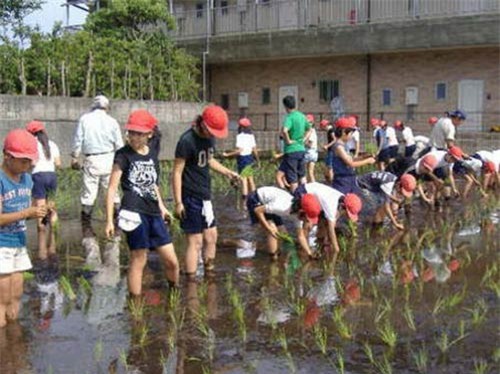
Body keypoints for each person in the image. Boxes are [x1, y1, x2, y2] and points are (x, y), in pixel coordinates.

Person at [105, 109, 179, 298]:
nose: (134, 137)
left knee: (172, 261)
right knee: (139, 259)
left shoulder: (152, 152)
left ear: (149, 134)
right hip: (133, 212)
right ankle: (135, 305)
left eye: (139, 133)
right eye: (131, 133)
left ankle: (174, 294)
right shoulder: (123, 155)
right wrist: (109, 221)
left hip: (153, 212)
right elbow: (112, 187)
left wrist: (162, 207)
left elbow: (153, 184)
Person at [172, 105, 240, 280]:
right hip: (190, 196)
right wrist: (178, 202)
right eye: (212, 131)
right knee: (195, 242)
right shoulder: (186, 141)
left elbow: (209, 160)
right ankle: (192, 282)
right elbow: (177, 172)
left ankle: (210, 275)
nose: (213, 135)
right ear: (202, 124)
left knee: (211, 237)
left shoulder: (209, 140)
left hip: (205, 195)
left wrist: (228, 172)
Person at [0, 129, 47, 328]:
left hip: (19, 243)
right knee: (2, 298)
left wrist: (41, 211)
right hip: (2, 245)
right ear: (7, 157)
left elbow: (27, 210)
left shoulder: (27, 179)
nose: (28, 165)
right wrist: (27, 213)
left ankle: (14, 341)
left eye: (30, 161)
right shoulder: (1, 181)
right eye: (23, 161)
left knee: (17, 294)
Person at [71, 95, 124, 239]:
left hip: (92, 159)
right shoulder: (112, 121)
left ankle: (87, 229)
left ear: (93, 106)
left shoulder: (84, 119)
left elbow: (78, 140)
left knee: (89, 193)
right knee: (113, 191)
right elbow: (119, 144)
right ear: (106, 107)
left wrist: (75, 157)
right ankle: (117, 226)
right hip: (110, 158)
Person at [294, 182, 363, 262]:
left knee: (323, 223)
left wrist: (327, 241)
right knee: (308, 223)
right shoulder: (332, 205)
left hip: (318, 200)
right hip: (304, 192)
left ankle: (319, 241)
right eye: (347, 213)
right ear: (343, 207)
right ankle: (302, 248)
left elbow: (332, 221)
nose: (347, 216)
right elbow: (331, 229)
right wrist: (336, 249)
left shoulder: (342, 200)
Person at [246, 186, 321, 260]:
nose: (305, 222)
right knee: (273, 231)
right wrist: (268, 229)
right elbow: (257, 210)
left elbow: (300, 236)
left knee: (284, 233)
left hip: (270, 203)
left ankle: (277, 252)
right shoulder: (282, 207)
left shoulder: (298, 215)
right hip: (256, 199)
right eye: (307, 220)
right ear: (301, 212)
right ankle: (273, 258)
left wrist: (309, 253)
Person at [25, 121, 61, 261]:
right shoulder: (52, 144)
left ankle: (42, 239)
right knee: (51, 205)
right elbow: (58, 163)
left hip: (38, 176)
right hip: (51, 176)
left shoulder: (32, 145)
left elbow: (33, 163)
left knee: (40, 206)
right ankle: (53, 239)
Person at [331, 117, 376, 194]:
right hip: (342, 180)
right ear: (344, 132)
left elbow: (351, 159)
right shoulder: (338, 147)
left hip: (350, 178)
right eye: (351, 133)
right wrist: (367, 161)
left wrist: (364, 156)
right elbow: (350, 163)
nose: (351, 136)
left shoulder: (344, 146)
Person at [223, 117, 259, 206]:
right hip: (250, 158)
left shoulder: (239, 137)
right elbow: (254, 149)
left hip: (243, 159)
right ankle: (255, 200)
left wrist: (227, 155)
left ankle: (244, 203)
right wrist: (257, 159)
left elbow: (239, 151)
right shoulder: (251, 136)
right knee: (250, 179)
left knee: (244, 180)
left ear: (241, 127)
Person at [279, 95, 311, 192]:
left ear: (285, 106)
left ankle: (296, 199)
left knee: (292, 177)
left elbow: (284, 130)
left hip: (291, 150)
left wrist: (288, 141)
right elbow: (309, 129)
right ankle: (306, 195)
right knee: (302, 174)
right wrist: (305, 139)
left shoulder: (289, 117)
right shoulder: (302, 116)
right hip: (301, 149)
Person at [304, 114, 319, 183]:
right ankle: (312, 186)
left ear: (312, 123)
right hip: (314, 152)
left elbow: (310, 143)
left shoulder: (311, 131)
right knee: (310, 172)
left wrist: (303, 143)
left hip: (309, 152)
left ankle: (306, 186)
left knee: (305, 172)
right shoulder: (313, 131)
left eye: (309, 122)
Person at [320, 119, 335, 183]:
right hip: (330, 150)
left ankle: (331, 181)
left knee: (330, 167)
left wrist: (327, 146)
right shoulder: (330, 130)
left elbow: (334, 140)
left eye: (323, 127)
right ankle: (328, 179)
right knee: (327, 166)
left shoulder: (331, 131)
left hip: (331, 150)